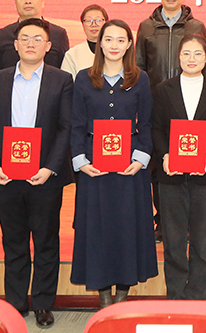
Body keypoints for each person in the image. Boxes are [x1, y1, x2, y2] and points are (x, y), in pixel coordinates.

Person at [0, 18, 73, 328]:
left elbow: (66, 127)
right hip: (5, 175)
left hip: (44, 176)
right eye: (25, 38)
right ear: (15, 45)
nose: (31, 43)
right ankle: (16, 302)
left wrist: (50, 168)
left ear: (48, 46)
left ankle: (43, 303)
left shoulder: (62, 80)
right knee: (13, 241)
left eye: (37, 39)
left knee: (46, 241)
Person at [70, 20, 159, 307]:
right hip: (93, 167)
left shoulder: (140, 78)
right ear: (100, 43)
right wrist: (80, 160)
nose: (114, 45)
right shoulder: (84, 78)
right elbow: (76, 124)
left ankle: (122, 295)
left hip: (129, 168)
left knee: (126, 229)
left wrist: (141, 158)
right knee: (97, 230)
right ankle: (104, 298)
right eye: (108, 39)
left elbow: (147, 124)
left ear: (129, 44)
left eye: (121, 40)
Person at [136, 0, 206, 243]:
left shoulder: (196, 26)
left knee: (191, 160)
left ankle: (190, 222)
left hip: (190, 104)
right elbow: (139, 67)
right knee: (160, 162)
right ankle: (162, 220)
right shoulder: (146, 27)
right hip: (158, 104)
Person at [152, 34, 206, 300]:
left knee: (202, 241)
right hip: (171, 175)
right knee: (173, 241)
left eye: (197, 53)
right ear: (179, 57)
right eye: (186, 53)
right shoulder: (164, 89)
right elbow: (156, 128)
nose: (191, 59)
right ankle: (175, 296)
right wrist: (164, 155)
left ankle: (199, 298)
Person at [0, 0, 70, 72]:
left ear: (42, 2)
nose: (28, 1)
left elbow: (64, 70)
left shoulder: (58, 34)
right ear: (15, 3)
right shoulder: (3, 35)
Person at [62, 4, 108, 80]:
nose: (94, 25)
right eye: (89, 21)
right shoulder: (72, 54)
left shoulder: (115, 50)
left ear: (106, 23)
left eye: (98, 20)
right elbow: (66, 83)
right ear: (83, 25)